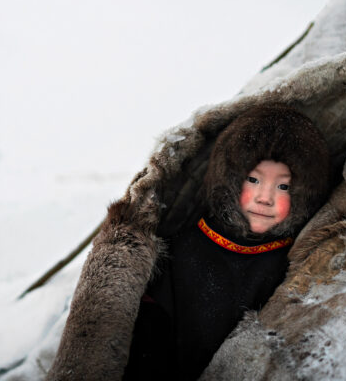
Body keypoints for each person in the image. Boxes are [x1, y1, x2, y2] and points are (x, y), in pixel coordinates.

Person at [123, 105, 331, 380]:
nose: (265, 197)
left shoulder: (294, 260)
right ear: (230, 179)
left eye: (283, 186)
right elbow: (149, 337)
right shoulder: (181, 251)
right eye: (253, 180)